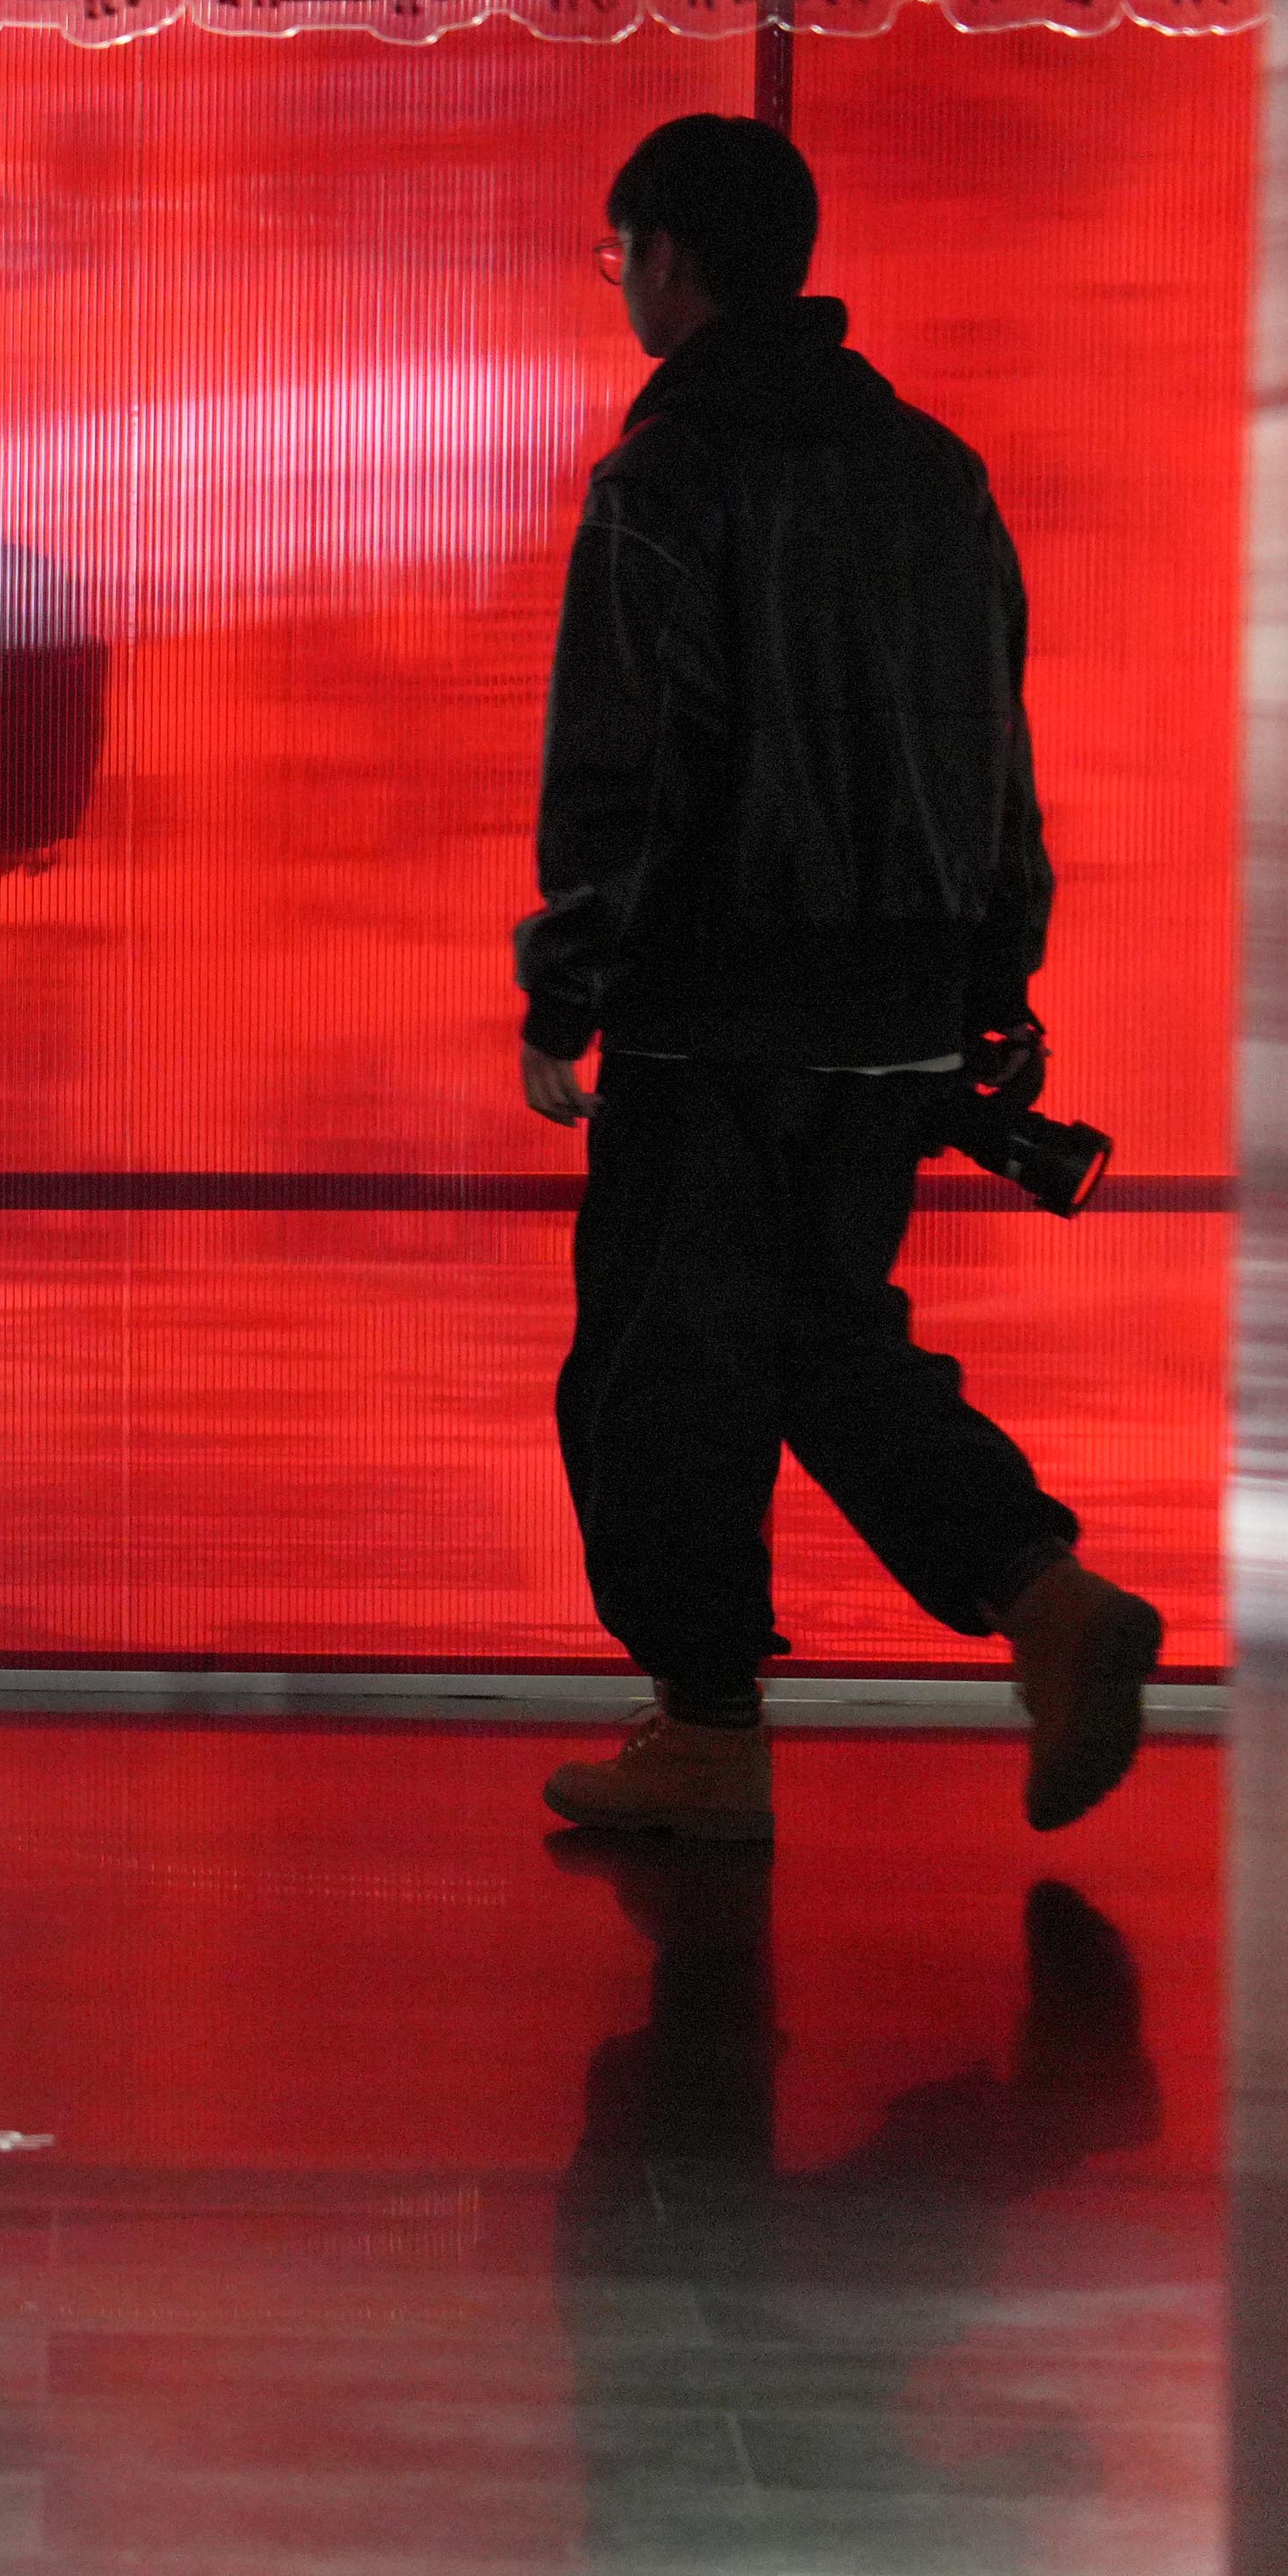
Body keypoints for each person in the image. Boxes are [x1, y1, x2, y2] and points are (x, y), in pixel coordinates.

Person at [519, 113, 1168, 1842]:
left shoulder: (668, 478)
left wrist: (567, 987)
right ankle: (1042, 1596)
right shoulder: (935, 473)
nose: (620, 286)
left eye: (619, 256)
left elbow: (626, 767)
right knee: (816, 1335)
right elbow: (996, 755)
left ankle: (705, 1733)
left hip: (716, 1000)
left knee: (662, 1371)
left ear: (667, 259)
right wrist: (994, 981)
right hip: (898, 1011)